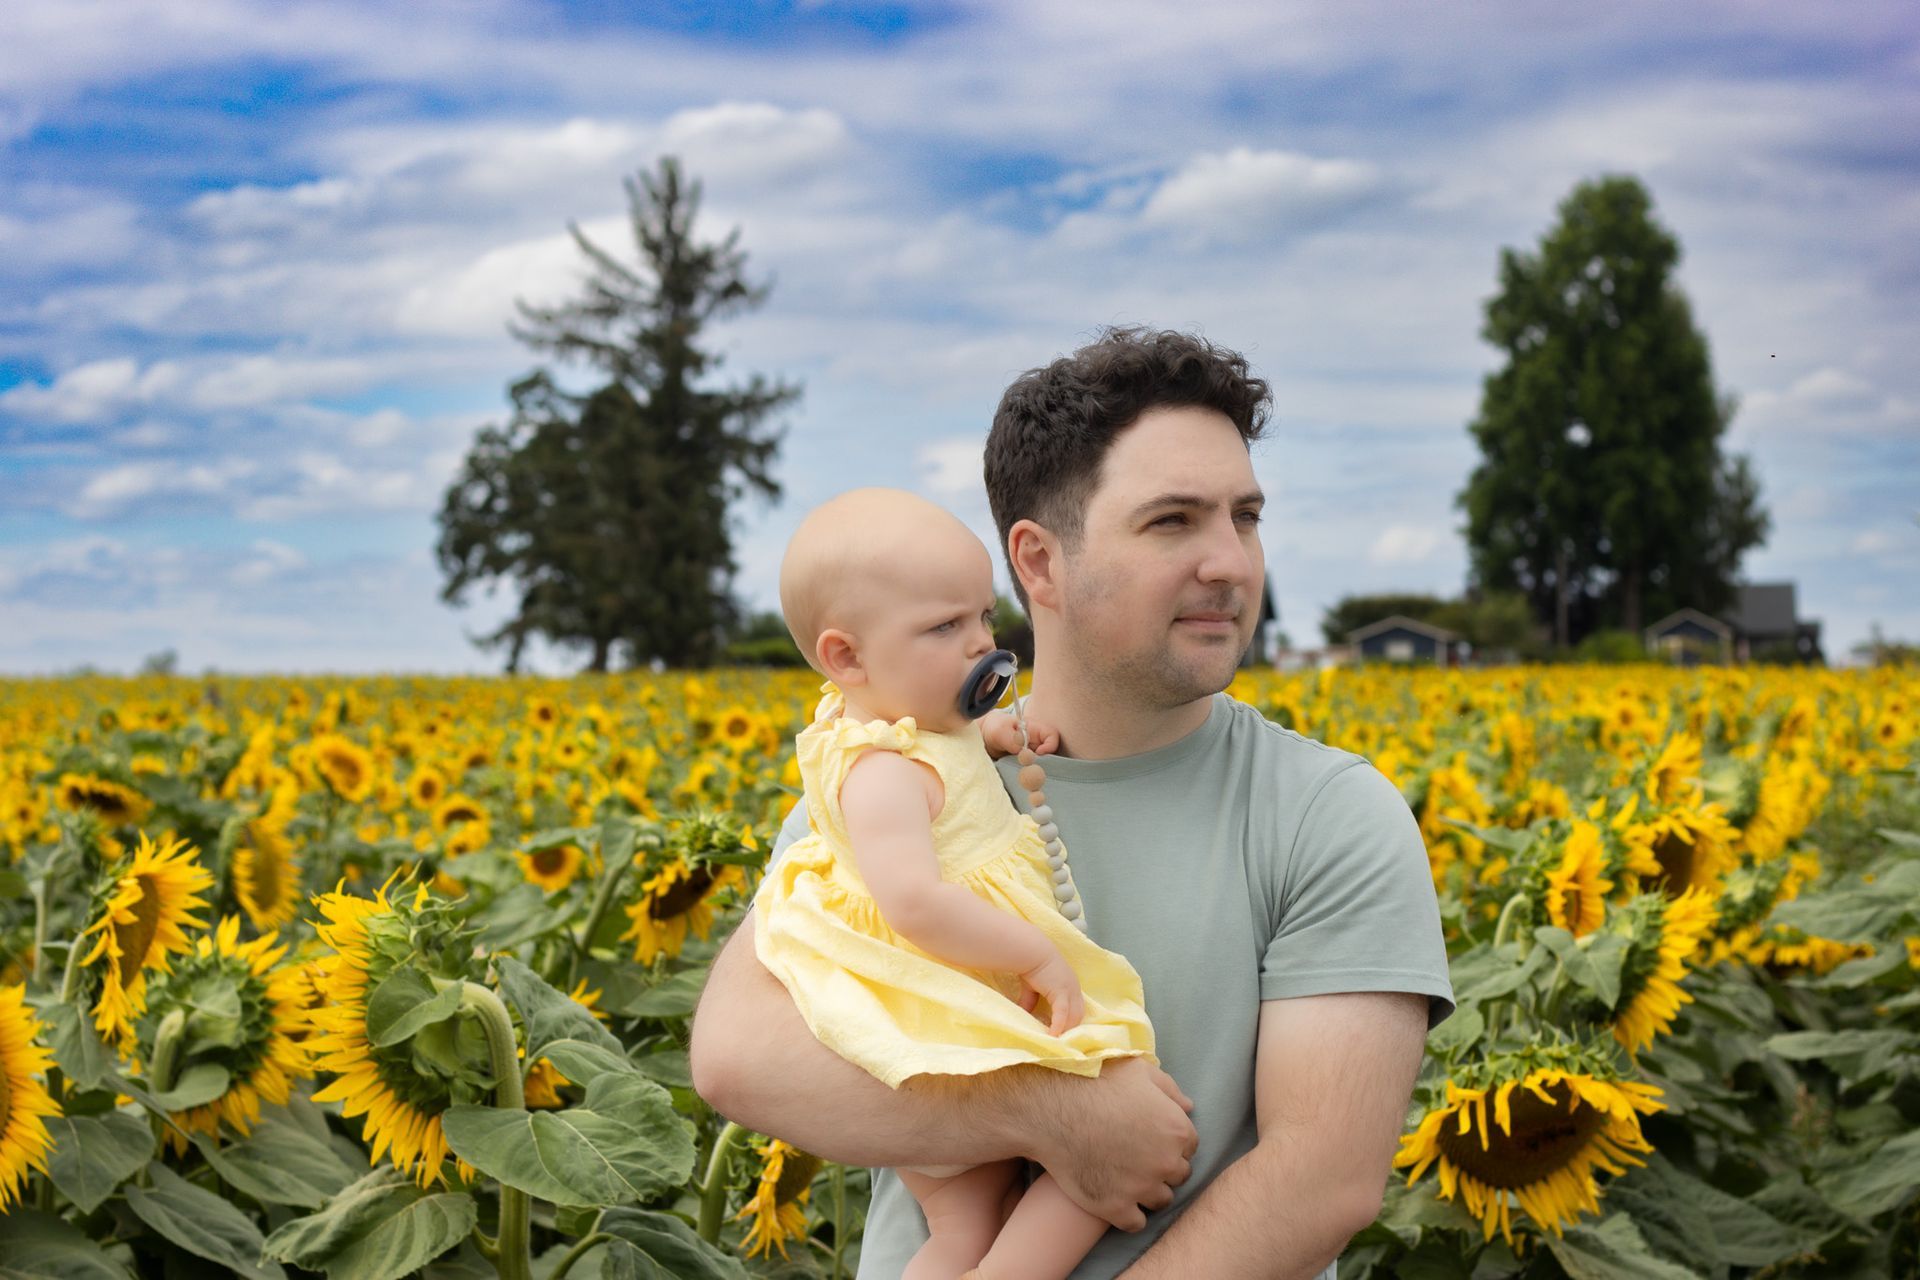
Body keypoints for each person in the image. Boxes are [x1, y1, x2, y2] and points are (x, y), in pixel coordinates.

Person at [692, 327, 1454, 1280]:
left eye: (1245, 517)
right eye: (1174, 520)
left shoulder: (1330, 814)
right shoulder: (905, 769)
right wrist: (1055, 1112)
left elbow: (1319, 1181)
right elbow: (738, 1056)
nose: (1232, 562)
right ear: (1040, 564)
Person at [759, 486, 1158, 1280]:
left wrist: (989, 731)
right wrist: (1034, 955)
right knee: (1115, 1147)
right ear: (846, 657)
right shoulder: (879, 777)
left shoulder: (902, 725)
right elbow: (912, 901)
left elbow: (936, 744)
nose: (981, 644)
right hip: (953, 1020)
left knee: (960, 1228)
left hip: (940, 1031)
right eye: (946, 627)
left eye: (983, 618)